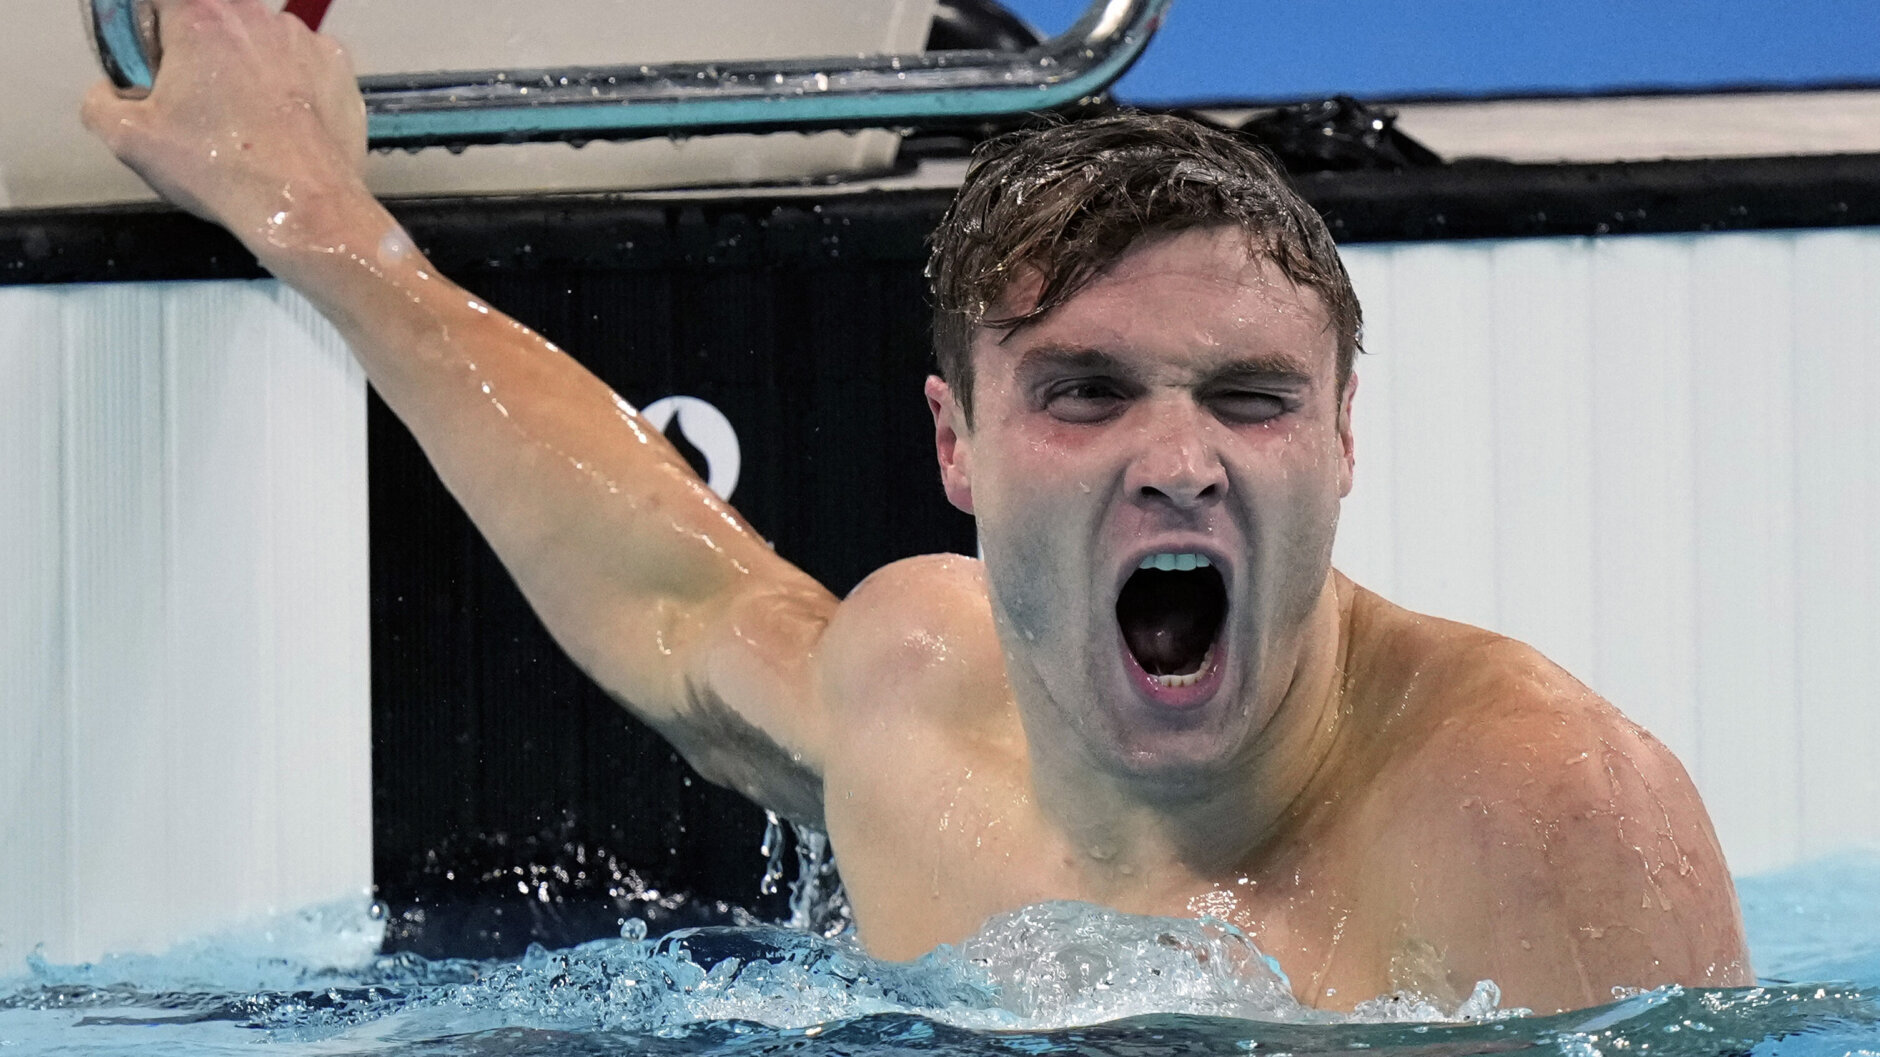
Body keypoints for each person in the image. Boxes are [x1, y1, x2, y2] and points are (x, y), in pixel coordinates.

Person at [83, 0, 1751, 1013]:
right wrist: (309, 210)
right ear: (957, 443)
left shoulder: (1542, 824)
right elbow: (663, 585)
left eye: (1251, 395)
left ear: (1341, 437)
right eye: (1087, 392)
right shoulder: (919, 703)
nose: (1180, 457)